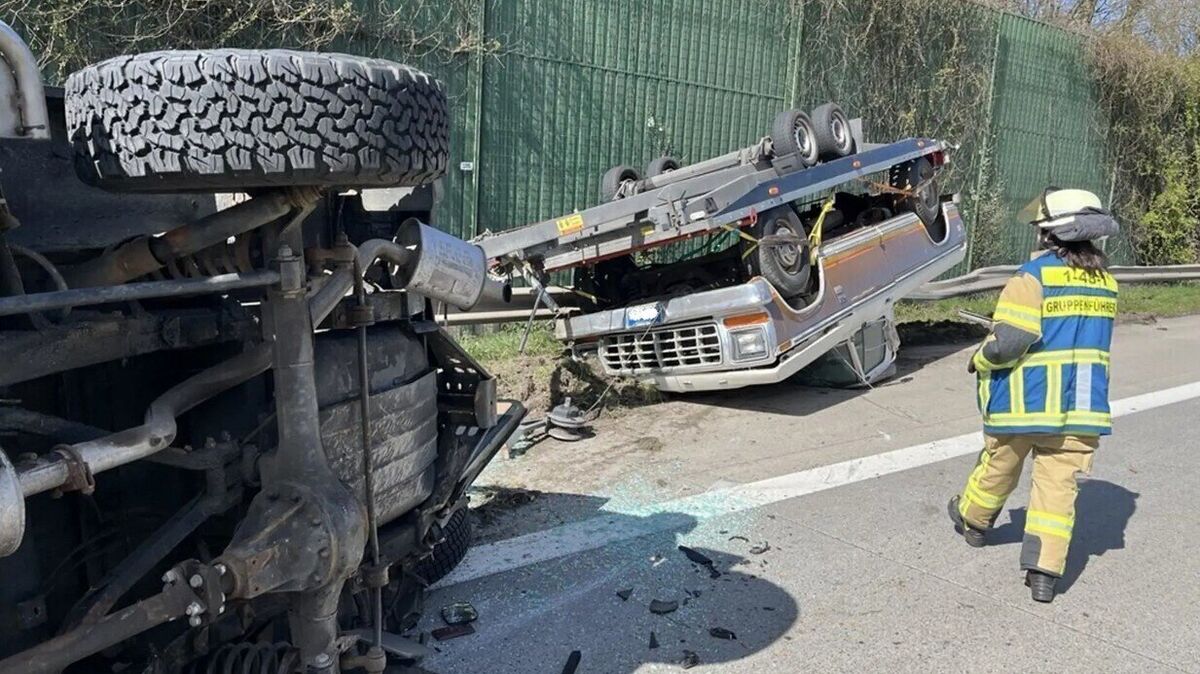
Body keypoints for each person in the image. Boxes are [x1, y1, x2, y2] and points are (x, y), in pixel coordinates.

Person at [947, 187, 1120, 603]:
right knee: (1057, 489)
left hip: (1025, 403)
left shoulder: (1033, 277)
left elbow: (1010, 341)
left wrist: (980, 359)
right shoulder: (1107, 284)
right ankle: (1043, 573)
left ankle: (973, 522)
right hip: (1080, 408)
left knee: (999, 466)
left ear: (1049, 234)